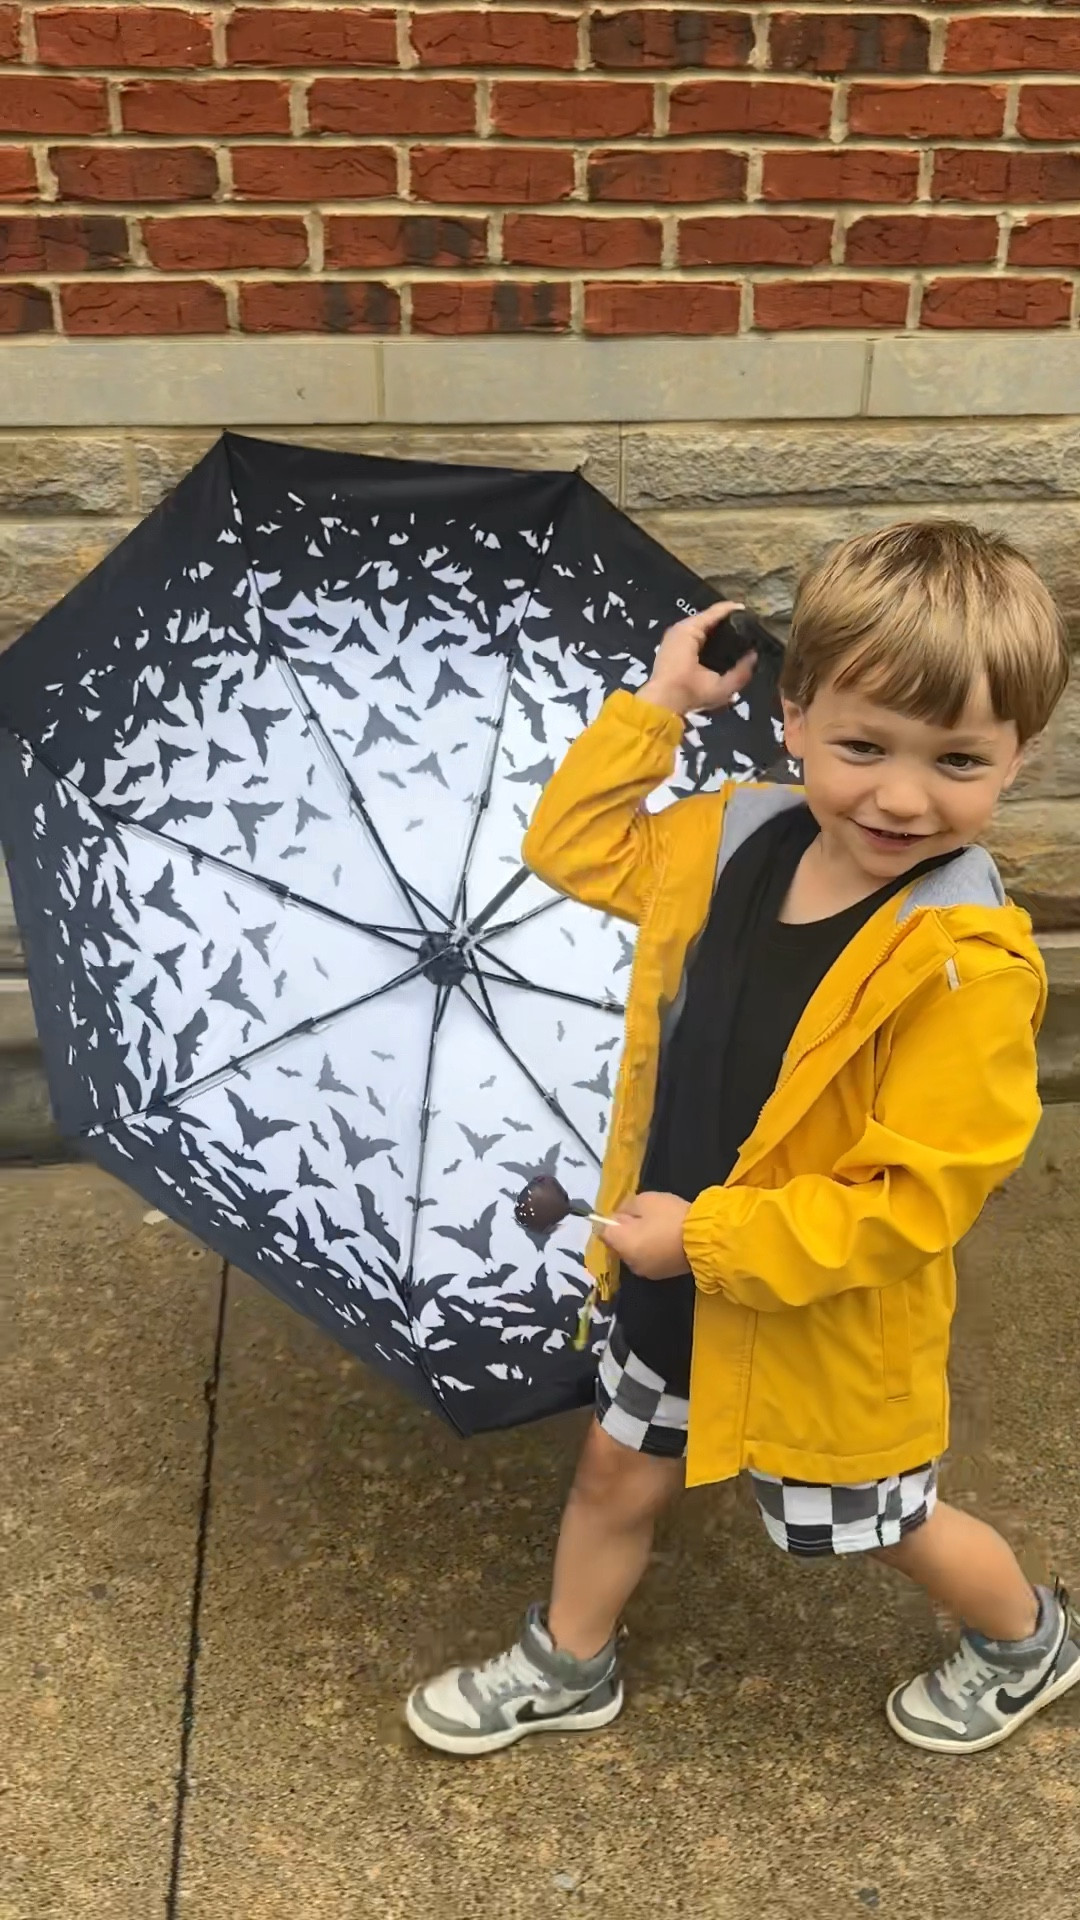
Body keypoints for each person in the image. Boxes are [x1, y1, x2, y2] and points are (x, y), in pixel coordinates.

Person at [407, 520, 1077, 1760]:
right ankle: (571, 1659)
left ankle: (1027, 1640)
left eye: (959, 760)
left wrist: (706, 1235)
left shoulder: (964, 969)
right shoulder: (730, 840)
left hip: (812, 1317)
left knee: (886, 1520)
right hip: (675, 1278)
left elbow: (911, 1202)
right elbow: (570, 845)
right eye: (863, 745)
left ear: (1016, 757)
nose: (902, 794)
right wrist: (658, 705)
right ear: (794, 715)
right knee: (615, 1471)